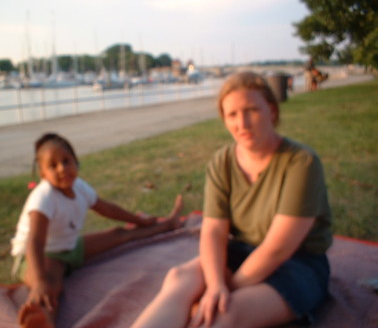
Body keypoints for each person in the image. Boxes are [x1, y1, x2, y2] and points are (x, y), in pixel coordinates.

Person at [131, 72, 332, 328]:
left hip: (297, 262)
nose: (242, 124)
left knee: (223, 313)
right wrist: (215, 284)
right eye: (232, 115)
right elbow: (213, 230)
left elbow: (279, 248)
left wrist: (226, 290)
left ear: (271, 111)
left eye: (252, 110)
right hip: (240, 250)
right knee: (179, 279)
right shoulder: (222, 161)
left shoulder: (301, 162)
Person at [10, 132, 184, 328]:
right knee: (51, 286)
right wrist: (40, 280)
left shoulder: (79, 187)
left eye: (67, 161)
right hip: (36, 256)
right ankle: (43, 321)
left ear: (76, 162)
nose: (62, 169)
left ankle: (168, 224)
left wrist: (138, 220)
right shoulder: (43, 197)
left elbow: (107, 209)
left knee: (119, 234)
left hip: (69, 248)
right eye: (53, 165)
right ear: (42, 174)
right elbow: (35, 241)